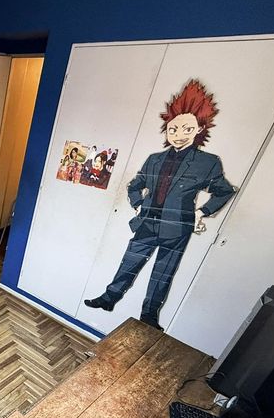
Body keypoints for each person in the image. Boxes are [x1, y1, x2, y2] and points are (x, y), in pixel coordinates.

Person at [83, 80, 236, 330]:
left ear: (199, 129)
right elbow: (135, 185)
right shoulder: (154, 159)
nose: (178, 134)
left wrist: (201, 212)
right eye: (173, 129)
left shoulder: (207, 162)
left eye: (187, 129)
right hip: (147, 222)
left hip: (177, 228)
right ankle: (110, 298)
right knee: (129, 262)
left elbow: (224, 191)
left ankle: (149, 314)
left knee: (163, 273)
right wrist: (137, 204)